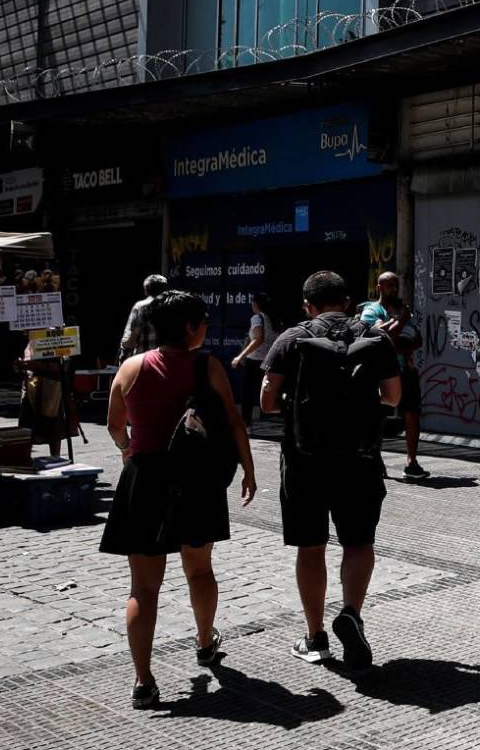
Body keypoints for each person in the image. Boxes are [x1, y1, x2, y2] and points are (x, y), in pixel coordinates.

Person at [100, 290, 258, 709]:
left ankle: (143, 681)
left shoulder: (130, 368)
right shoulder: (207, 366)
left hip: (145, 479)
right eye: (203, 320)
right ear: (190, 327)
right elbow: (234, 419)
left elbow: (115, 425)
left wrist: (127, 447)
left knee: (143, 587)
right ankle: (205, 641)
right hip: (196, 481)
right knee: (200, 570)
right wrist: (249, 468)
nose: (205, 326)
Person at [262, 271, 402, 670]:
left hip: (304, 461)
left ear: (308, 305)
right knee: (358, 543)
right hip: (360, 460)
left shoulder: (292, 339)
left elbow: (267, 401)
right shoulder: (376, 337)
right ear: (348, 299)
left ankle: (315, 636)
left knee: (311, 547)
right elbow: (393, 397)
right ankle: (351, 613)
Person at [360, 273, 426, 479]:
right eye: (390, 285)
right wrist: (401, 323)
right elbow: (381, 338)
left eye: (396, 285)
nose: (394, 289)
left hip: (406, 371)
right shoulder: (371, 310)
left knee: (412, 413)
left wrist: (398, 344)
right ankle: (374, 459)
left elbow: (417, 340)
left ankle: (412, 462)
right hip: (380, 372)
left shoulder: (403, 310)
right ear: (379, 286)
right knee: (377, 415)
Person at [18, 340, 78, 461]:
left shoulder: (52, 338)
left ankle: (55, 458)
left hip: (52, 389)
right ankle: (25, 459)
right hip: (31, 388)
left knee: (53, 427)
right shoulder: (30, 341)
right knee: (28, 427)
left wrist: (33, 365)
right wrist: (22, 366)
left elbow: (62, 366)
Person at [230, 292, 279, 427]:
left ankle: (245, 422)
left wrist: (240, 356)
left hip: (255, 360)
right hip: (269, 360)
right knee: (266, 389)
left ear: (256, 304)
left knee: (248, 392)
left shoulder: (257, 318)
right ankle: (268, 419)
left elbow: (258, 338)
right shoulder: (272, 318)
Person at [119, 274, 169, 363]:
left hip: (145, 363)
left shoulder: (141, 307)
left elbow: (130, 340)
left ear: (146, 291)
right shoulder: (172, 306)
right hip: (167, 363)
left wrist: (123, 361)